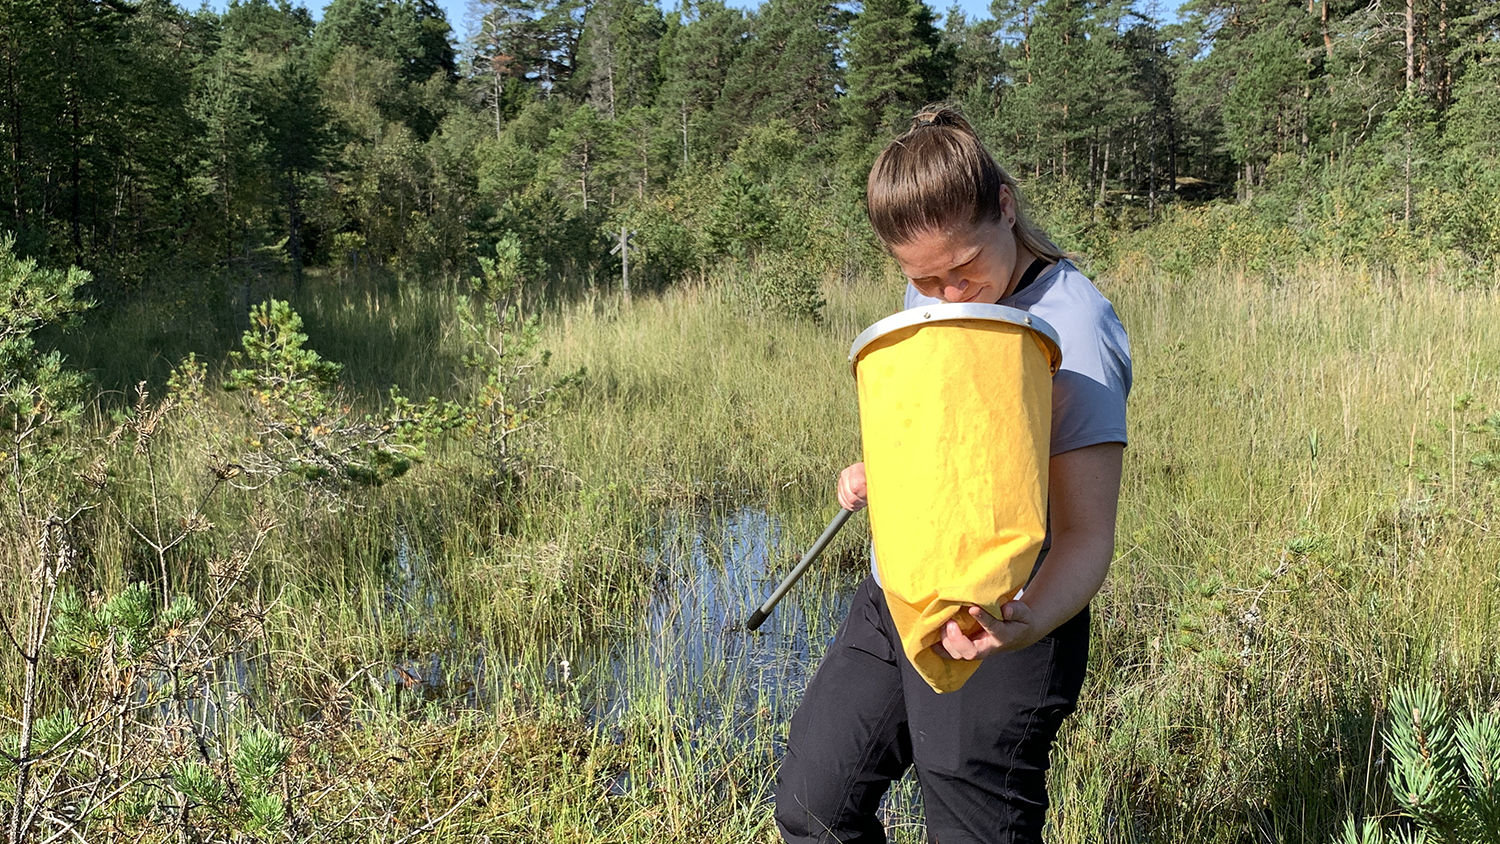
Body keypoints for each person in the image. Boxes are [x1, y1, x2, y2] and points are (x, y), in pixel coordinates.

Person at [773, 107, 1131, 844]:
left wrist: (1023, 620)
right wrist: (881, 470)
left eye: (963, 270)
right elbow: (951, 436)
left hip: (1002, 612)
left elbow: (1089, 536)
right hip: (896, 596)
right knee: (813, 807)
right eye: (922, 279)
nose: (947, 298)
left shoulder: (1078, 327)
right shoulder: (934, 293)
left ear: (1004, 206)